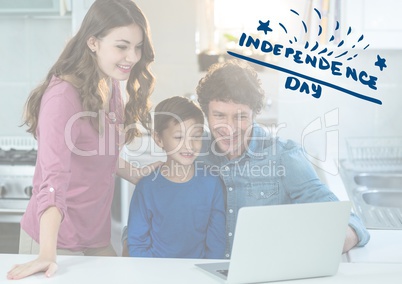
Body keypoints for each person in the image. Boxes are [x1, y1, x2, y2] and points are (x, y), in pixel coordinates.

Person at [7, 0, 161, 280]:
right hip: (54, 241)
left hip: (94, 236)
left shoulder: (110, 83)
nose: (132, 56)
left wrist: (137, 175)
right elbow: (53, 182)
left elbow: (100, 152)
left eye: (138, 47)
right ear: (93, 42)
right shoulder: (62, 97)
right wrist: (46, 255)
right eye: (122, 46)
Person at [195, 59, 370, 259]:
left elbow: (350, 223)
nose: (229, 128)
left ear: (254, 114)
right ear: (207, 115)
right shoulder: (195, 155)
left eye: (240, 116)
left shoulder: (283, 156)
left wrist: (315, 245)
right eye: (219, 116)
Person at [127, 96, 226, 258]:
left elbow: (216, 242)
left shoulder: (211, 183)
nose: (189, 145)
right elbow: (137, 243)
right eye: (179, 137)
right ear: (159, 139)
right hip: (156, 274)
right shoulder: (146, 187)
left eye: (196, 136)